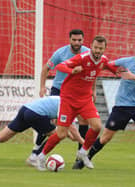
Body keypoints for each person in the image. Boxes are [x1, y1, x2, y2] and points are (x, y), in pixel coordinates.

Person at [73, 39, 135, 172]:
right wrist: (89, 73)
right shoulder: (125, 61)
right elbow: (104, 65)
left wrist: (132, 76)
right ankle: (83, 161)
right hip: (122, 107)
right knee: (105, 137)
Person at [35, 35, 118, 171]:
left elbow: (112, 68)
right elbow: (61, 66)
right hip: (68, 99)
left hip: (85, 99)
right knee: (61, 134)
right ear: (91, 46)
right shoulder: (82, 58)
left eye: (100, 48)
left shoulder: (103, 60)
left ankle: (83, 152)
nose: (97, 51)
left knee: (97, 126)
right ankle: (41, 156)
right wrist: (72, 70)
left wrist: (126, 73)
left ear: (104, 49)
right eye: (96, 47)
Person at [0, 96, 84, 163]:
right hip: (35, 114)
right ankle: (35, 157)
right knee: (57, 135)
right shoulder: (70, 107)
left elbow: (70, 132)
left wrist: (72, 137)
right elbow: (71, 131)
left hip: (25, 110)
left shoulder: (64, 101)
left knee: (2, 137)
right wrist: (84, 143)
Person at [29, 29, 90, 168]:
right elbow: (46, 68)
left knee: (84, 121)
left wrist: (91, 90)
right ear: (69, 40)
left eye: (79, 40)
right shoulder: (60, 53)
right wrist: (42, 87)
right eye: (74, 40)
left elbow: (93, 72)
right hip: (59, 90)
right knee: (52, 123)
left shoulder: (88, 53)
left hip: (78, 92)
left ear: (83, 40)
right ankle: (35, 152)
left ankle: (80, 157)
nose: (76, 42)